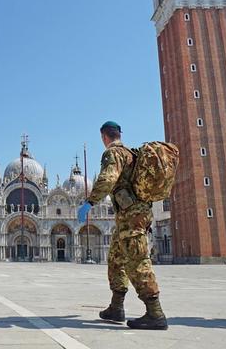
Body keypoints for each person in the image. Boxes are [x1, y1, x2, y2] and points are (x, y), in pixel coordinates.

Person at [78, 121, 167, 330]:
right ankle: (116, 307)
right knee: (116, 259)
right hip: (128, 217)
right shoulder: (132, 154)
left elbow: (108, 178)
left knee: (137, 261)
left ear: (104, 136)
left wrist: (90, 202)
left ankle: (155, 313)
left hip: (132, 217)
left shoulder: (114, 153)